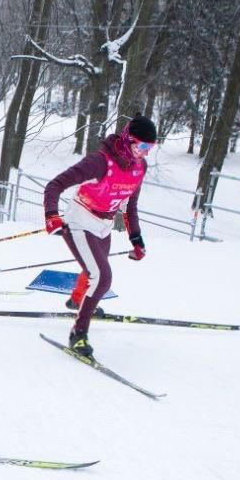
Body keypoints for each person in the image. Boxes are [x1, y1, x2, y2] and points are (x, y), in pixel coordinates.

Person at [43, 113, 157, 357]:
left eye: (151, 148)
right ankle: (79, 333)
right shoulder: (100, 162)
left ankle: (77, 302)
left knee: (92, 271)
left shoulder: (140, 167)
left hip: (103, 226)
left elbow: (130, 206)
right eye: (143, 146)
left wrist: (136, 239)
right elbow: (54, 185)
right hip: (79, 221)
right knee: (103, 277)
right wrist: (52, 215)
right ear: (128, 140)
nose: (146, 153)